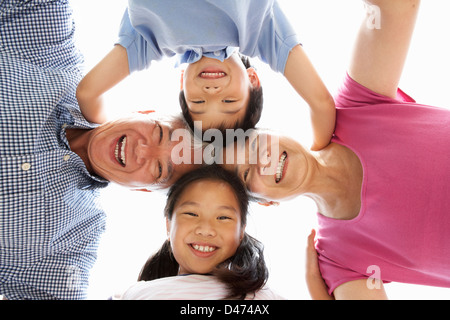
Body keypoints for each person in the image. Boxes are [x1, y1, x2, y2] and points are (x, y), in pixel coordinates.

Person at [222, 0, 450, 299]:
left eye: (254, 145)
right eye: (247, 173)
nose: (262, 160)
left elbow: (395, 7)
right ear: (266, 203)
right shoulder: (338, 260)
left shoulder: (357, 105)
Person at [0, 0, 197, 300]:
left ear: (143, 189)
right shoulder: (55, 56)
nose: (141, 150)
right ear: (143, 110)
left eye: (158, 169)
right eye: (157, 132)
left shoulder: (76, 240)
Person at [76, 0, 335, 151]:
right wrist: (317, 158)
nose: (212, 94)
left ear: (182, 84)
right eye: (229, 102)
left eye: (198, 103)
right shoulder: (259, 32)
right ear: (252, 80)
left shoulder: (150, 42)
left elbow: (87, 93)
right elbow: (321, 104)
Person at [116, 165, 283, 300]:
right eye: (191, 214)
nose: (205, 229)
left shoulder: (263, 297)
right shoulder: (135, 295)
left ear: (241, 231)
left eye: (223, 217)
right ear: (168, 225)